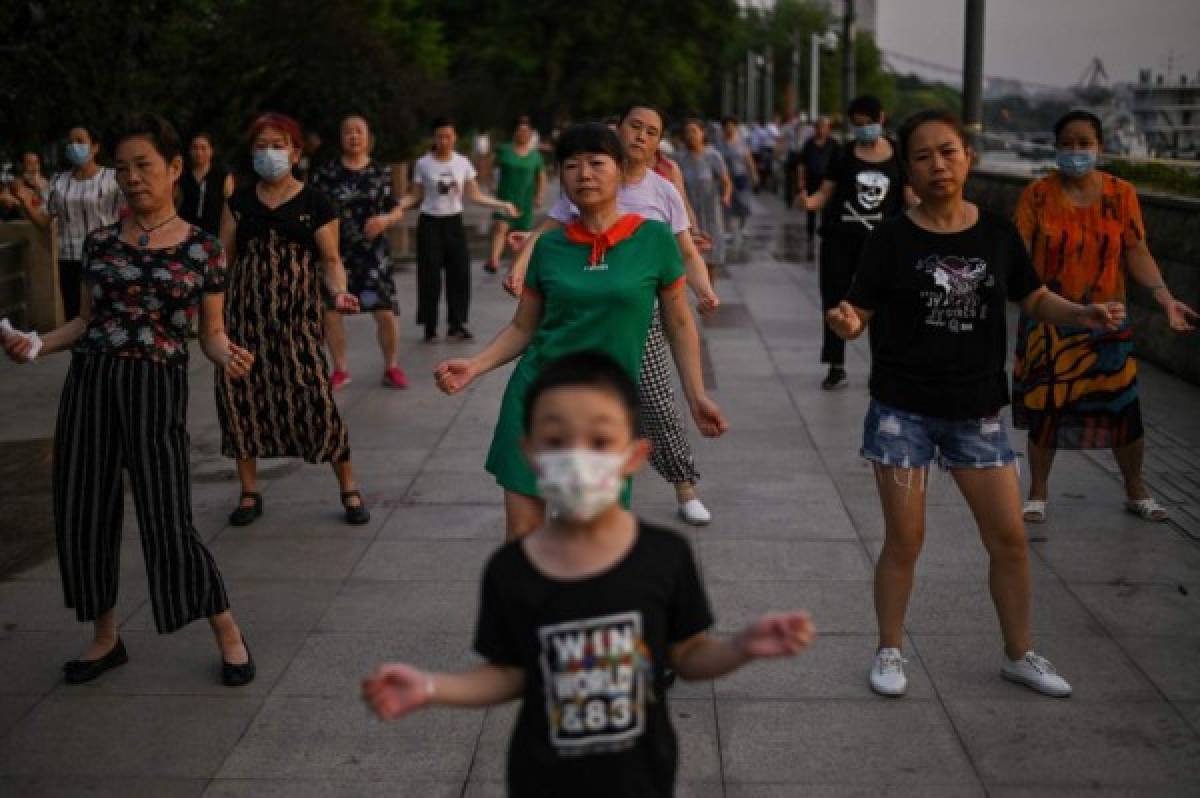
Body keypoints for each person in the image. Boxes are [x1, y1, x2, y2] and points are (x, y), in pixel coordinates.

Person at [364, 350, 814, 797]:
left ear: (635, 455)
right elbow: (510, 674)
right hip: (542, 779)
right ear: (530, 452)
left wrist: (742, 647)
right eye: (557, 441)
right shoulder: (512, 570)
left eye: (600, 442)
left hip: (642, 780)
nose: (578, 457)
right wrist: (429, 687)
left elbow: (688, 656)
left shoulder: (664, 557)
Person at [826, 109, 1130, 699]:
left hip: (977, 411)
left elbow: (1034, 297)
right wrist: (846, 322)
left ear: (968, 157)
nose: (937, 164)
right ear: (908, 168)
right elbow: (857, 309)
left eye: (948, 152)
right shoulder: (892, 236)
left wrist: (1082, 314)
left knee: (1009, 539)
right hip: (901, 411)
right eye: (922, 155)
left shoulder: (994, 231)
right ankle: (889, 649)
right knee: (905, 539)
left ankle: (1020, 654)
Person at [1, 112, 255, 687]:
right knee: (85, 508)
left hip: (155, 389)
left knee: (168, 513)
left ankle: (226, 629)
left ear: (173, 170)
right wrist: (36, 344)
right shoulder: (98, 243)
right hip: (90, 384)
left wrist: (226, 355)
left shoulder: (203, 249)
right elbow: (85, 323)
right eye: (122, 168)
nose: (133, 177)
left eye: (144, 165)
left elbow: (209, 333)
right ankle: (104, 636)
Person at [434, 123, 727, 539]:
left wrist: (696, 394)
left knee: (592, 541)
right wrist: (475, 365)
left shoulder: (654, 240)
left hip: (605, 416)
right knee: (524, 536)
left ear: (621, 170)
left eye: (596, 163)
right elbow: (523, 327)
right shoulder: (549, 248)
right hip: (535, 399)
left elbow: (679, 322)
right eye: (571, 165)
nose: (583, 174)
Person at [504, 106, 722, 526]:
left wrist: (705, 290)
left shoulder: (663, 190)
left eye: (652, 132)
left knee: (659, 408)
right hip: (591, 316)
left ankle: (684, 486)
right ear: (618, 131)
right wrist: (519, 264)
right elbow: (550, 232)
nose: (641, 136)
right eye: (634, 127)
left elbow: (685, 249)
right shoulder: (590, 179)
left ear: (659, 143)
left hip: (643, 315)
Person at [1012, 110, 1198, 524]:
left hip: (1107, 318)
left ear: (1099, 146)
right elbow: (1018, 252)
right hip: (1051, 319)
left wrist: (1165, 297)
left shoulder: (1121, 194)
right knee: (1048, 405)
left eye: (1084, 143)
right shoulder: (1037, 195)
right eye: (1067, 144)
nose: (1075, 152)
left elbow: (1136, 250)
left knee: (1122, 406)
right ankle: (1038, 492)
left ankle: (1136, 488)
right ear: (1055, 148)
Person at [216, 112, 370, 527]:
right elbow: (223, 263)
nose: (270, 153)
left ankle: (348, 487)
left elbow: (331, 260)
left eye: (278, 145)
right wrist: (209, 315)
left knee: (316, 398)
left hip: (297, 321)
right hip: (243, 320)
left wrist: (339, 292)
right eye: (262, 146)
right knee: (241, 402)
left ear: (296, 152)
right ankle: (249, 491)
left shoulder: (316, 203)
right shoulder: (238, 204)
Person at [804, 95, 908, 391]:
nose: (863, 129)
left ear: (881, 120)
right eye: (857, 125)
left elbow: (910, 197)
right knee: (837, 302)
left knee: (884, 306)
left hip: (883, 246)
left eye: (868, 123)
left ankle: (882, 367)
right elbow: (825, 192)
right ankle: (836, 366)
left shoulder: (898, 156)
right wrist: (809, 203)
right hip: (840, 241)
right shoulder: (843, 154)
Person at [395, 117, 518, 342]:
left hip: (454, 222)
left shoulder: (462, 163)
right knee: (429, 275)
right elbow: (414, 195)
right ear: (434, 138)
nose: (444, 141)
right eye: (440, 136)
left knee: (460, 274)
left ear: (455, 138)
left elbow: (475, 195)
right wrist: (396, 206)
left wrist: (503, 204)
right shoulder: (423, 164)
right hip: (430, 222)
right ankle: (429, 326)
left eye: (448, 136)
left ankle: (457, 323)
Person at [310, 114, 409, 390]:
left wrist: (386, 220)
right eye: (348, 132)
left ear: (368, 138)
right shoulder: (326, 173)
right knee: (331, 312)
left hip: (374, 255)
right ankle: (340, 369)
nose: (354, 136)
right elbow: (314, 210)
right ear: (341, 138)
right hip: (336, 253)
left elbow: (396, 207)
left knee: (385, 311)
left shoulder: (380, 171)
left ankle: (392, 366)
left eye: (359, 132)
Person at [5, 126, 125, 321]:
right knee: (75, 316)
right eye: (70, 142)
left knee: (105, 315)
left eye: (80, 141)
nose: (73, 146)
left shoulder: (112, 179)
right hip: (69, 259)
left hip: (104, 256)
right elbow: (44, 220)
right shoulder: (58, 182)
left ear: (95, 147)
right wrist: (24, 202)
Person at [484, 116, 546, 274]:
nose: (523, 134)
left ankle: (518, 267)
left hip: (525, 199)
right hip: (505, 197)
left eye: (526, 131)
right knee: (501, 226)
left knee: (521, 234)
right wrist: (490, 182)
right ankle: (494, 260)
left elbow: (541, 177)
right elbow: (489, 164)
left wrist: (539, 195)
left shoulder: (535, 156)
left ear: (531, 134)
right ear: (515, 133)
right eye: (520, 131)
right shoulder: (504, 150)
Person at [676, 118, 732, 278]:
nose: (690, 135)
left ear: (702, 133)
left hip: (710, 210)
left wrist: (726, 196)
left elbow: (726, 181)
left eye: (694, 131)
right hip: (688, 210)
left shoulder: (713, 155)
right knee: (687, 253)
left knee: (711, 254)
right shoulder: (680, 158)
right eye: (687, 132)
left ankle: (710, 294)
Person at [178, 132, 234, 237]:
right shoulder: (183, 177)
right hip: (186, 233)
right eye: (195, 148)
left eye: (203, 148)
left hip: (214, 234)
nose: (199, 153)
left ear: (211, 151)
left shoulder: (222, 176)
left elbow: (229, 210)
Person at [794, 117, 839, 247]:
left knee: (827, 209)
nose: (820, 130)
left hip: (828, 181)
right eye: (818, 127)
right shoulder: (809, 144)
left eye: (823, 127)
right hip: (812, 180)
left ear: (828, 129)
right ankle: (810, 235)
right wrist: (801, 180)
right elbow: (801, 164)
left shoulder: (834, 144)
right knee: (811, 208)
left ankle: (825, 233)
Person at [717, 117, 758, 253]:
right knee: (727, 204)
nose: (729, 129)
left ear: (735, 127)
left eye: (731, 126)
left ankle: (743, 226)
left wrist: (753, 174)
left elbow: (749, 159)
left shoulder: (741, 142)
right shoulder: (719, 143)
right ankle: (728, 230)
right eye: (726, 126)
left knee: (743, 202)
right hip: (726, 177)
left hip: (741, 176)